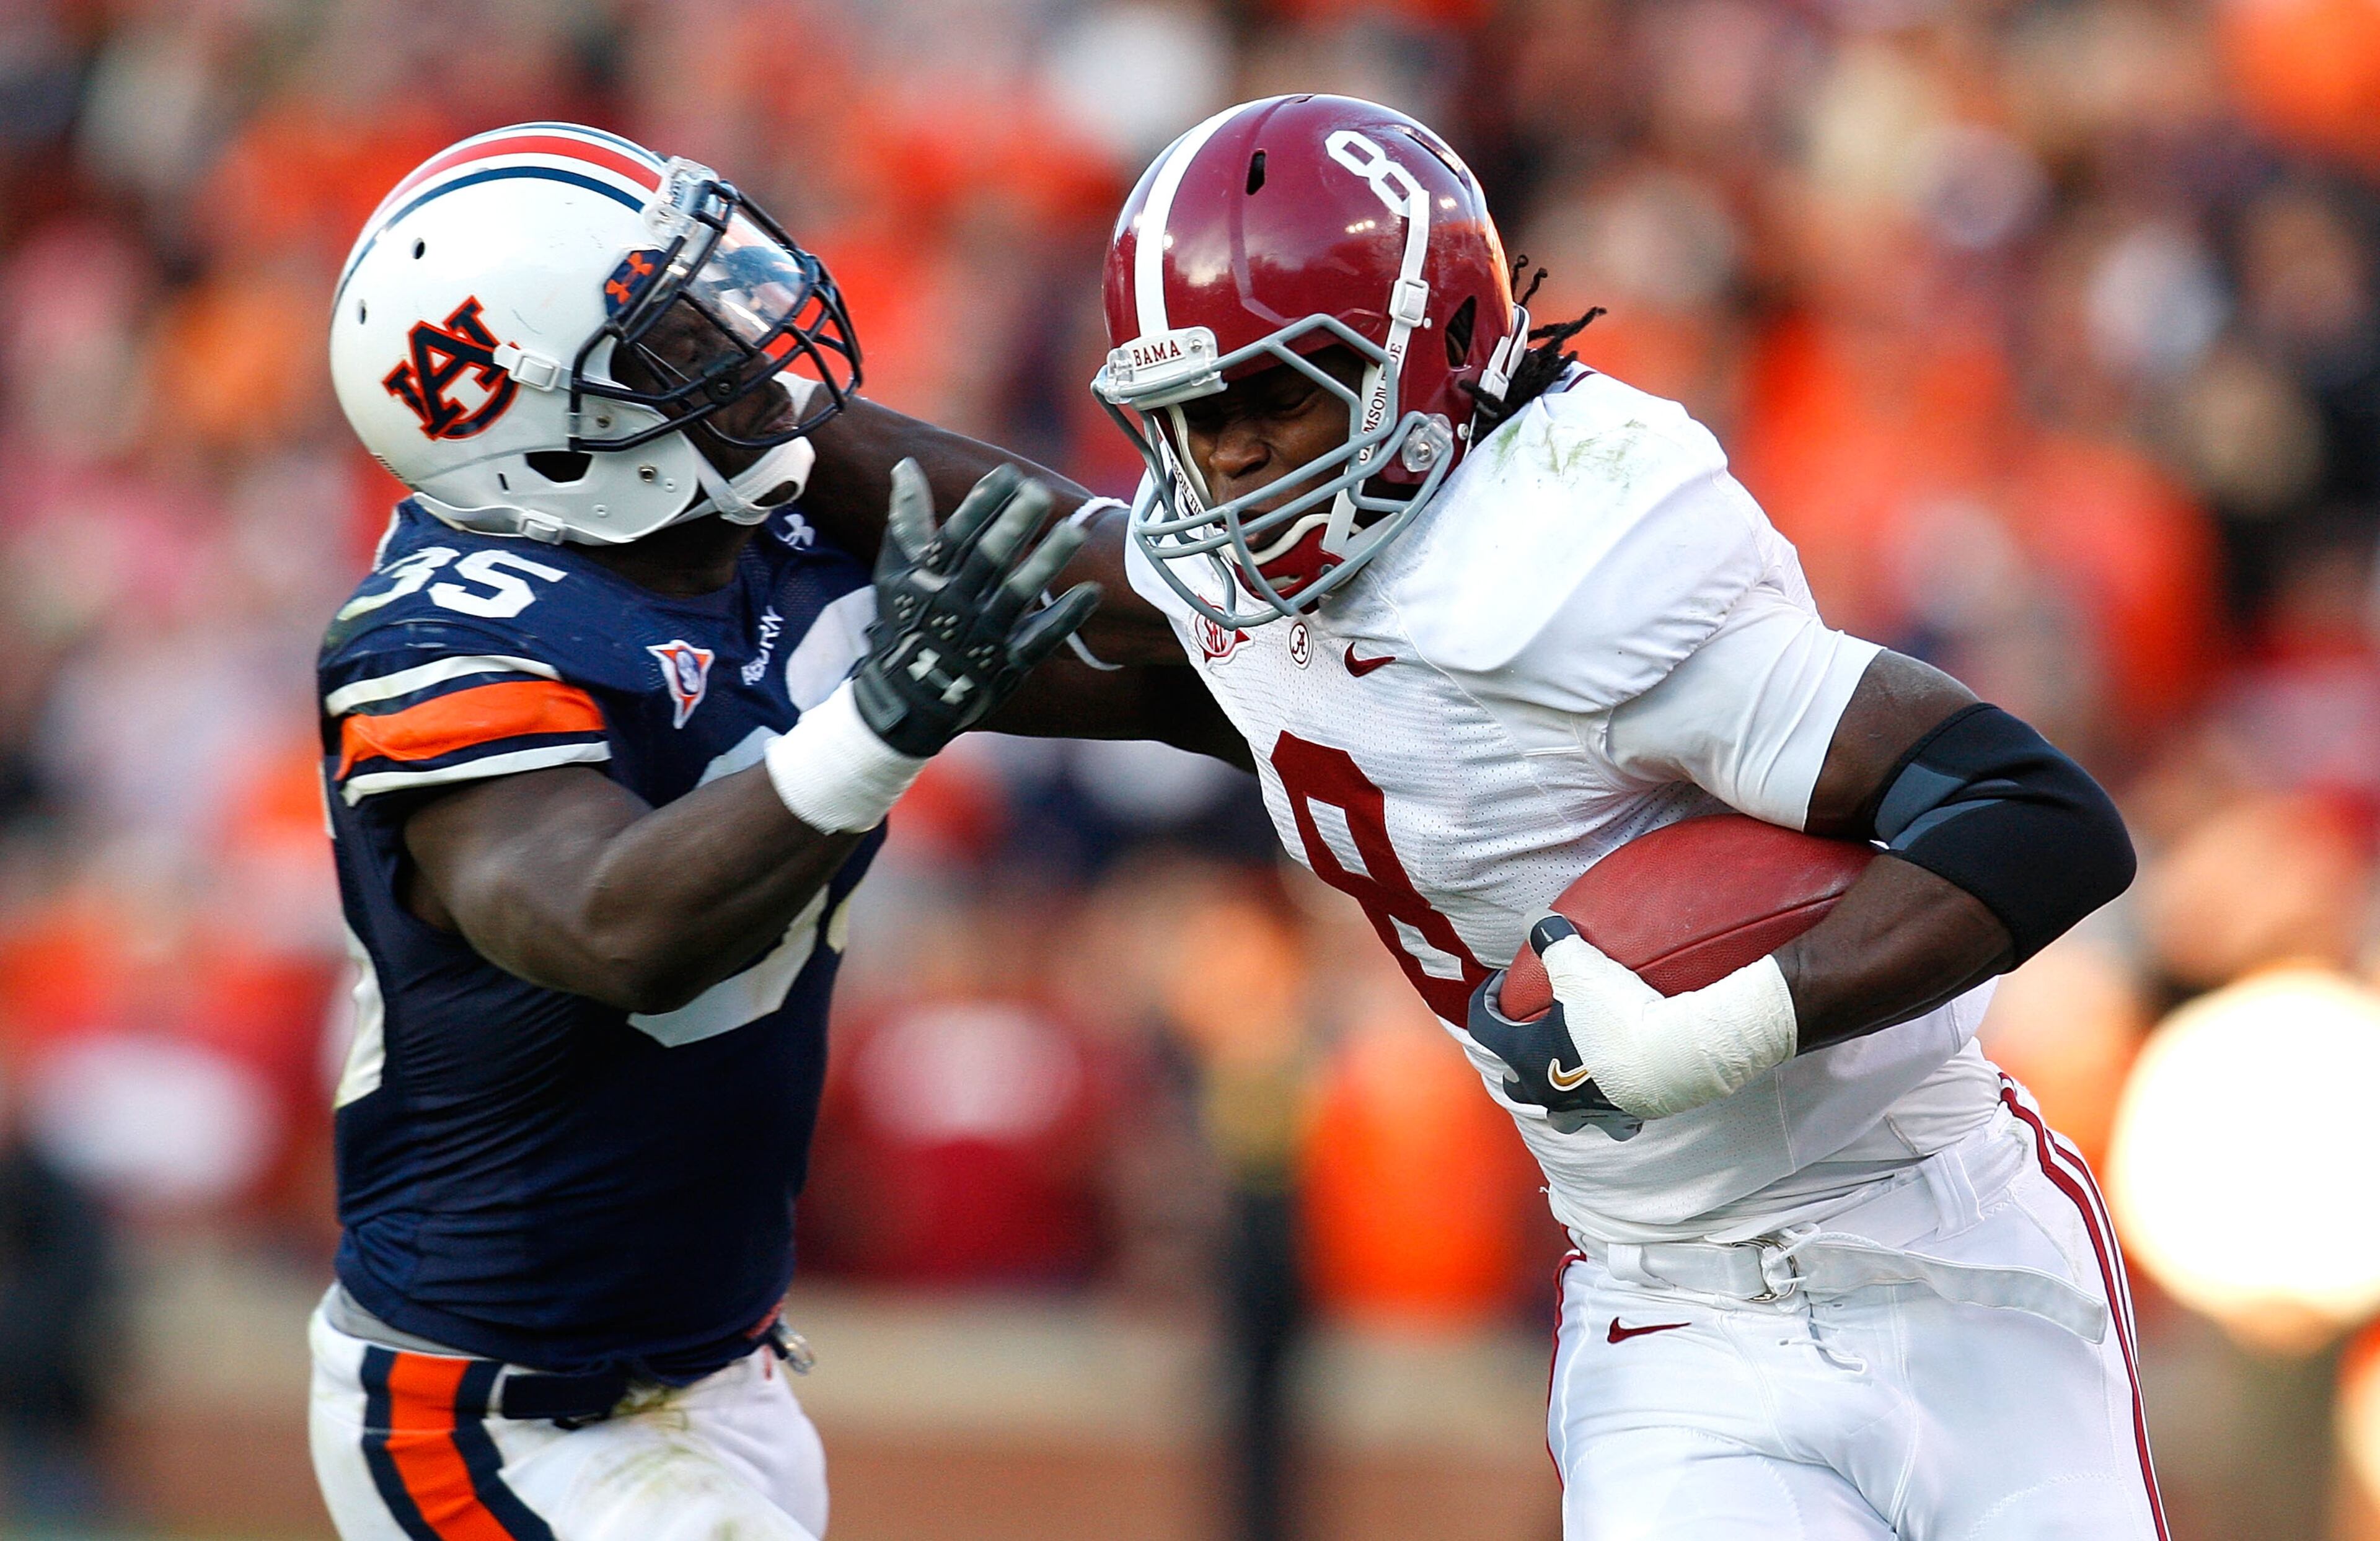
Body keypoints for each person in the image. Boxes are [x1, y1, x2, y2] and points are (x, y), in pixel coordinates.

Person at [1062, 94, 2161, 1539]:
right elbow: (1026, 555)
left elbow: (2043, 814)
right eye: (1195, 420)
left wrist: (1729, 1022)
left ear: (1436, 353)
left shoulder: (1582, 560)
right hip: (1668, 1313)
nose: (1237, 462)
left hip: (1944, 1240)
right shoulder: (1231, 592)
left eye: (1278, 398)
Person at [308, 123, 1228, 1541]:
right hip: (492, 1413)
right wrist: (882, 719)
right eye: (674, 328)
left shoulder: (763, 527)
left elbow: (1188, 649)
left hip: (722, 1377)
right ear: (539, 429)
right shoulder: (444, 632)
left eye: (717, 285)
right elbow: (615, 926)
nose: (743, 330)